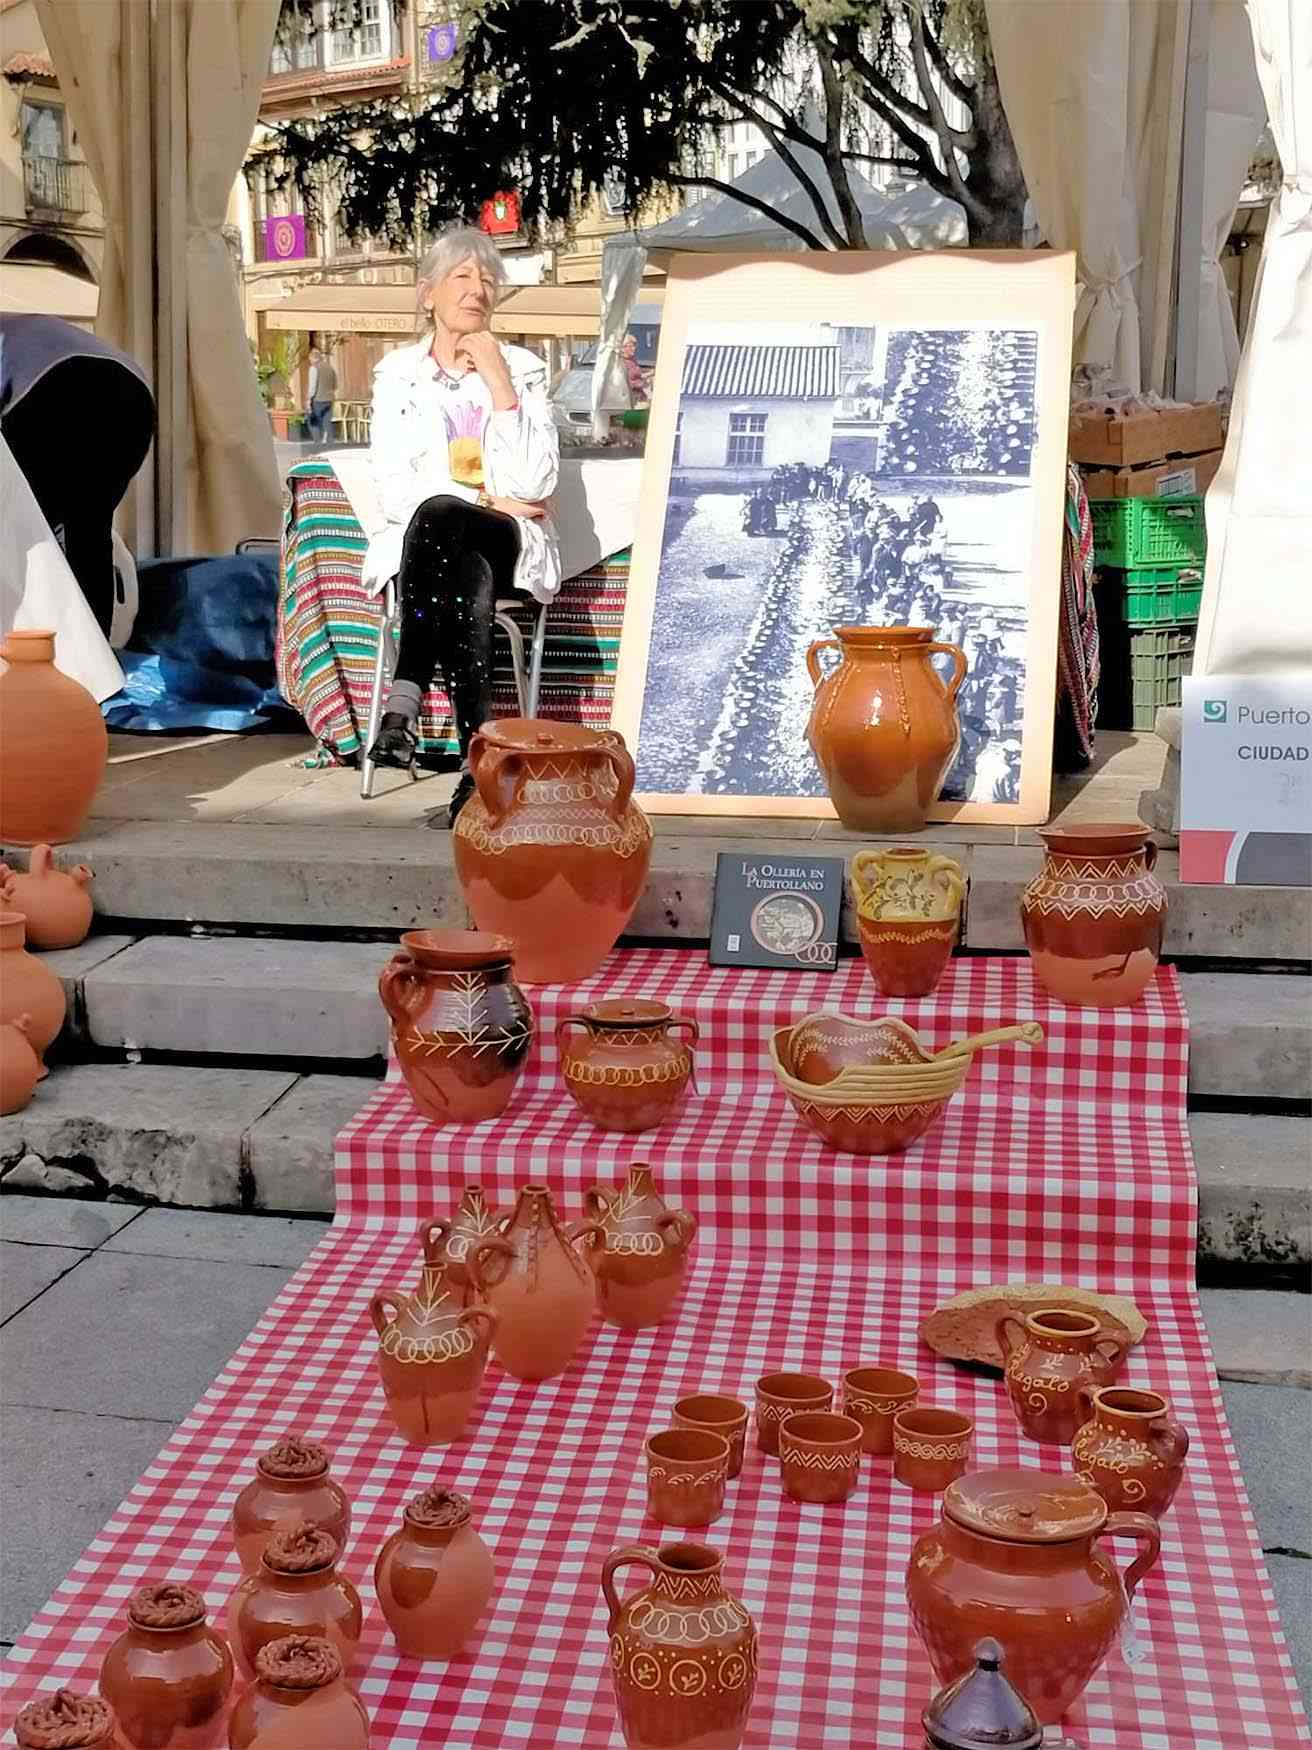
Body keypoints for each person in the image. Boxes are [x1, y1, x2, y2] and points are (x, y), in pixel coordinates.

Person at [361, 227, 560, 827]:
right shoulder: (396, 373)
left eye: (488, 279)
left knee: (446, 519)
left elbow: (536, 482)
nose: (478, 289)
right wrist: (489, 494)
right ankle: (482, 772)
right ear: (428, 294)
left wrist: (498, 381)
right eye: (462, 277)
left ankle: (405, 698)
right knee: (454, 557)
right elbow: (395, 488)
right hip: (433, 545)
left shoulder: (523, 368)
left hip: (507, 539)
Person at [305, 346, 337, 444]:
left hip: (318, 400)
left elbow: (312, 387)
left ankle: (317, 442)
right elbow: (335, 385)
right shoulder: (330, 368)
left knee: (313, 421)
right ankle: (330, 443)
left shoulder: (314, 368)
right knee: (327, 422)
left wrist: (308, 399)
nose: (310, 361)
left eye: (310, 359)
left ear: (314, 358)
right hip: (329, 399)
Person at [620, 333, 651, 405]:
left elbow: (638, 375)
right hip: (630, 400)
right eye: (631, 346)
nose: (634, 348)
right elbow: (627, 382)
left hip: (640, 396)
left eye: (634, 345)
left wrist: (651, 374)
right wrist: (642, 383)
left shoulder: (632, 360)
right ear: (623, 348)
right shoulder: (621, 362)